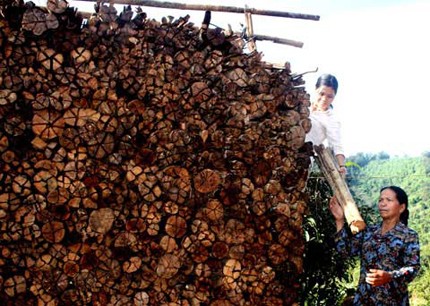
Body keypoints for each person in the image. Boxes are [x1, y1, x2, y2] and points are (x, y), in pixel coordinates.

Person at [329, 186, 421, 305]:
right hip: (363, 300)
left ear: (401, 207)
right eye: (380, 200)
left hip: (392, 301)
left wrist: (390, 276)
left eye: (388, 200)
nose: (383, 204)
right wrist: (339, 220)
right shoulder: (369, 231)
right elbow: (345, 251)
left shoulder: (409, 235)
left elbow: (413, 267)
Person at [306, 74, 347, 175]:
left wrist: (341, 166)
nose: (324, 99)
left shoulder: (331, 120)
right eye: (322, 93)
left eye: (330, 96)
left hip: (303, 160)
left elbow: (336, 145)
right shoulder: (301, 104)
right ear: (315, 89)